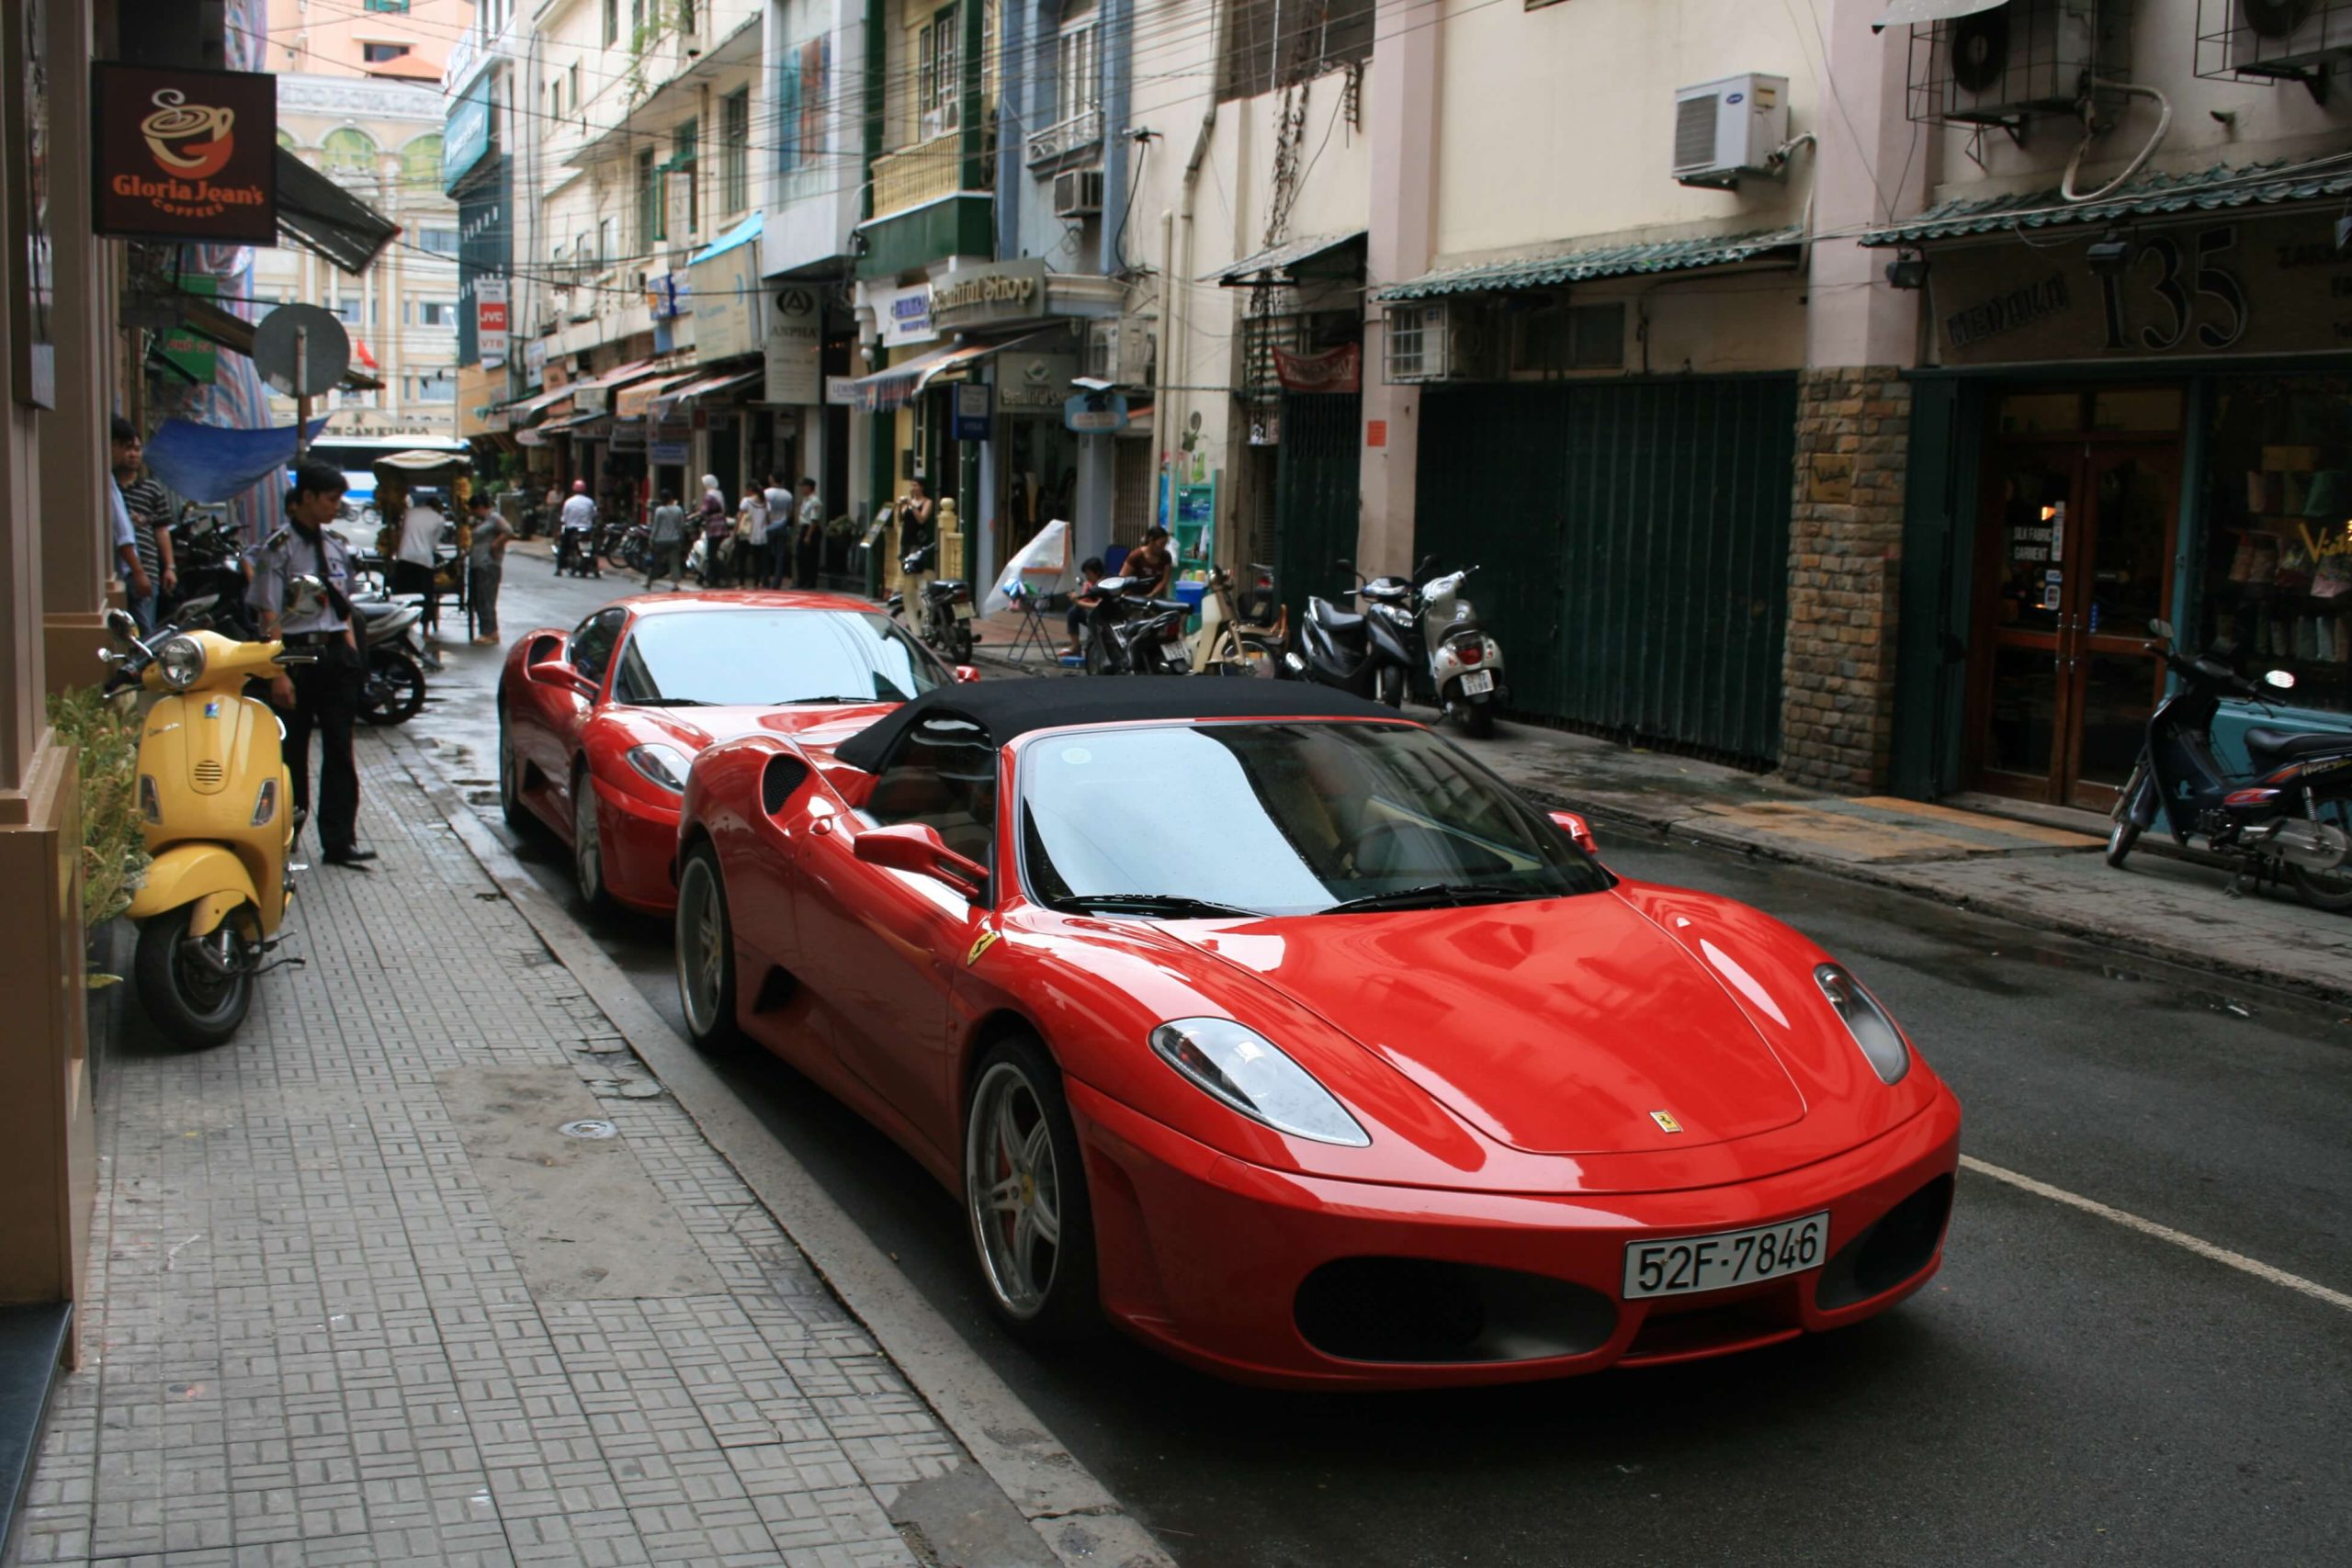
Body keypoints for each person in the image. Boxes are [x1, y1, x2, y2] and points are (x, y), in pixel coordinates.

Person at [249, 462, 374, 866]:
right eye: (331, 499)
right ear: (306, 498)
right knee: (292, 753)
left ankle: (339, 842)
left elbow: (343, 607)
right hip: (297, 654)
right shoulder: (278, 550)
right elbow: (269, 615)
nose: (336, 507)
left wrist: (351, 654)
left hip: (335, 654)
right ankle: (288, 836)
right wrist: (278, 672)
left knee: (340, 750)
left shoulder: (336, 545)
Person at [111, 416, 175, 634]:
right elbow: (121, 534)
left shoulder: (151, 489)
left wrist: (169, 567)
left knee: (144, 628)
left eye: (137, 449)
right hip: (121, 572)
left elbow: (162, 530)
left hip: (146, 568)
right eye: (128, 448)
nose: (132, 454)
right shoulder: (110, 486)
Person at [394, 488, 446, 638]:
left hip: (404, 557)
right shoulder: (439, 518)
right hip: (424, 560)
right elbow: (434, 544)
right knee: (426, 596)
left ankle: (401, 628)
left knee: (403, 593)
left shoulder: (409, 512)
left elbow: (400, 531)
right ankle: (425, 631)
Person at [465, 491, 511, 645]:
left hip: (488, 564)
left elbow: (508, 531)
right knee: (479, 599)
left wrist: (495, 545)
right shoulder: (482, 520)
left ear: (480, 507)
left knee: (486, 599)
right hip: (477, 563)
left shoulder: (494, 518)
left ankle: (489, 632)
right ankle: (489, 631)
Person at [1065, 557, 1106, 656]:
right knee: (1073, 612)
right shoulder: (1091, 584)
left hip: (1104, 618)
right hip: (1094, 616)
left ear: (1097, 572)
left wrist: (1078, 602)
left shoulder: (1104, 584)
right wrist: (1084, 594)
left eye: (1088, 574)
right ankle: (1076, 646)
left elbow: (1099, 606)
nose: (1087, 577)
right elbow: (1083, 604)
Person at [647, 491, 687, 589]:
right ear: (671, 498)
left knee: (656, 562)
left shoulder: (659, 510)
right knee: (674, 563)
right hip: (674, 540)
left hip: (660, 540)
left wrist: (651, 539)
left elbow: (656, 526)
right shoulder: (678, 510)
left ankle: (649, 582)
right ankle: (675, 584)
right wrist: (681, 537)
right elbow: (681, 526)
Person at [559, 479, 599, 577]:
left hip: (572, 528)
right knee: (593, 549)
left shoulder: (569, 502)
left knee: (564, 547)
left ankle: (559, 568)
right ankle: (596, 569)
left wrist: (564, 521)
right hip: (587, 529)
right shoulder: (589, 501)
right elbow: (594, 514)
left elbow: (564, 516)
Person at [762, 472, 795, 590]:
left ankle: (765, 579)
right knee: (780, 555)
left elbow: (764, 510)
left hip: (768, 527)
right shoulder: (788, 495)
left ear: (772, 479)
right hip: (782, 526)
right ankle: (777, 582)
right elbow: (790, 512)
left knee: (765, 554)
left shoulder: (766, 493)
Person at [1125, 525, 1175, 598]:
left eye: (1165, 544)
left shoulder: (1166, 556)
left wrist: (1152, 594)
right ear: (1151, 540)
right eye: (1161, 544)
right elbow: (1123, 577)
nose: (1163, 547)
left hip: (1156, 597)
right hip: (1136, 597)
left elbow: (1164, 580)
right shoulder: (1136, 556)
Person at [698, 475, 731, 585]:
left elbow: (704, 511)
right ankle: (713, 579)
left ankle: (726, 574)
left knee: (711, 556)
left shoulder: (709, 495)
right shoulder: (719, 494)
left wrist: (693, 516)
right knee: (713, 552)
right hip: (721, 525)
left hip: (713, 527)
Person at [737, 483, 770, 588]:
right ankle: (757, 583)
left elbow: (740, 517)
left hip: (746, 534)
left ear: (750, 490)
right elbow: (768, 520)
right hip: (761, 535)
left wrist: (735, 531)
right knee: (758, 561)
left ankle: (741, 583)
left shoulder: (746, 501)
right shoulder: (766, 503)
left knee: (742, 559)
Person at [794, 477, 824, 590]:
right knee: (801, 556)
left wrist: (808, 536)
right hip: (804, 528)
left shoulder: (814, 501)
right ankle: (802, 580)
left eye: (803, 486)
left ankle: (810, 582)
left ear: (809, 487)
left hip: (811, 530)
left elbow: (814, 520)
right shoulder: (805, 500)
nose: (801, 489)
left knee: (810, 557)